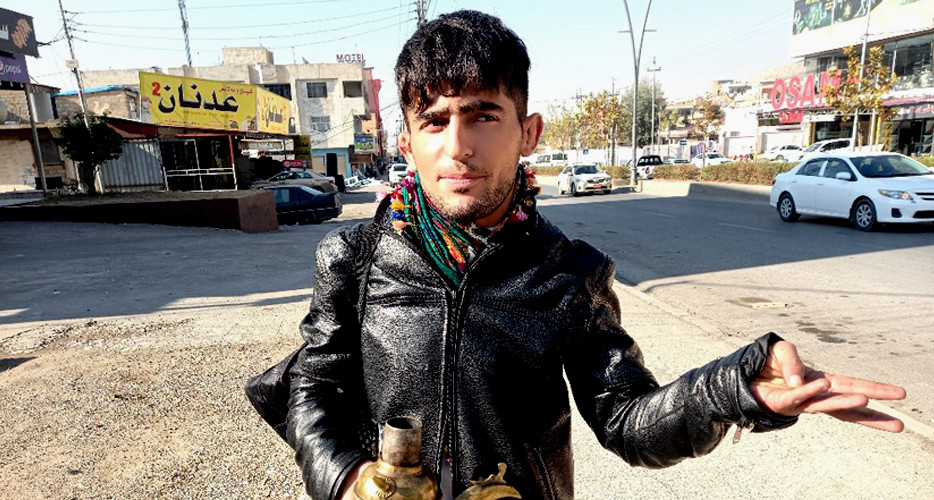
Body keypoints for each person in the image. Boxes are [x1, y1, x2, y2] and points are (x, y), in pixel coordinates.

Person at [286, 10, 906, 500]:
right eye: (434, 121)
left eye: (483, 116)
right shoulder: (354, 258)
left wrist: (731, 392)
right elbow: (312, 389)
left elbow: (628, 421)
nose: (458, 146)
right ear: (407, 142)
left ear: (528, 133)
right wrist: (348, 478)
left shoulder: (570, 274)